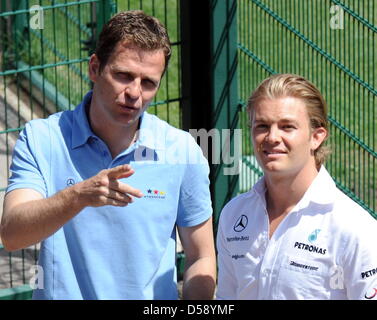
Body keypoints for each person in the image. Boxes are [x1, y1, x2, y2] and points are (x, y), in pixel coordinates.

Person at [0, 10, 216, 300]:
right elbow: (13, 235)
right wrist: (79, 196)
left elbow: (201, 257)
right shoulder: (42, 139)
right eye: (123, 76)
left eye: (148, 83)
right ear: (94, 68)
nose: (134, 93)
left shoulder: (181, 151)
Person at [216, 73, 377, 300]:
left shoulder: (354, 228)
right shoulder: (234, 215)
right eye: (262, 125)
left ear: (316, 137)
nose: (272, 137)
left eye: (287, 126)